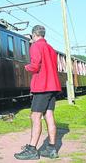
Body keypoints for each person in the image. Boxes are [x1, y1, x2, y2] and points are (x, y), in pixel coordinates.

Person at [14, 25, 62, 160]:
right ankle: (52, 149)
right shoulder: (51, 49)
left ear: (34, 35)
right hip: (53, 86)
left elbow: (35, 66)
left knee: (35, 117)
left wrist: (26, 67)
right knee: (49, 115)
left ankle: (32, 149)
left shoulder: (35, 46)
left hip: (42, 86)